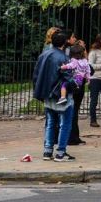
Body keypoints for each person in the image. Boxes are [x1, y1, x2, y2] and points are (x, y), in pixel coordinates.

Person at [32, 30, 76, 161]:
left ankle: (47, 151)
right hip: (61, 95)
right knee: (65, 123)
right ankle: (61, 152)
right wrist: (76, 84)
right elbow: (67, 78)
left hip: (47, 93)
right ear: (64, 43)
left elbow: (36, 74)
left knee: (51, 122)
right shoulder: (63, 58)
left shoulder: (44, 54)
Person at [64, 31, 87, 146]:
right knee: (72, 112)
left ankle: (72, 136)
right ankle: (72, 137)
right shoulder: (78, 60)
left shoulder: (69, 56)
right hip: (76, 87)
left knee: (73, 112)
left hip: (74, 86)